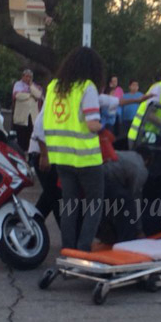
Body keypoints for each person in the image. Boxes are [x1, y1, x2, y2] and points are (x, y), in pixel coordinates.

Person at [40, 47, 105, 251]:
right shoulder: (87, 87)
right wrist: (103, 127)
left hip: (62, 158)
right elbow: (92, 124)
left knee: (69, 205)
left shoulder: (53, 87)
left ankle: (68, 249)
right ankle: (83, 249)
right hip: (86, 158)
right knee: (94, 204)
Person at [13, 69, 43, 152]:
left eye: (30, 77)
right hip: (22, 117)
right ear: (23, 77)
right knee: (21, 138)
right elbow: (18, 95)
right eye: (26, 76)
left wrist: (31, 86)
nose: (28, 78)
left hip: (32, 117)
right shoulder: (18, 85)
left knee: (30, 137)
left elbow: (38, 95)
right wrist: (30, 95)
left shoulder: (34, 86)